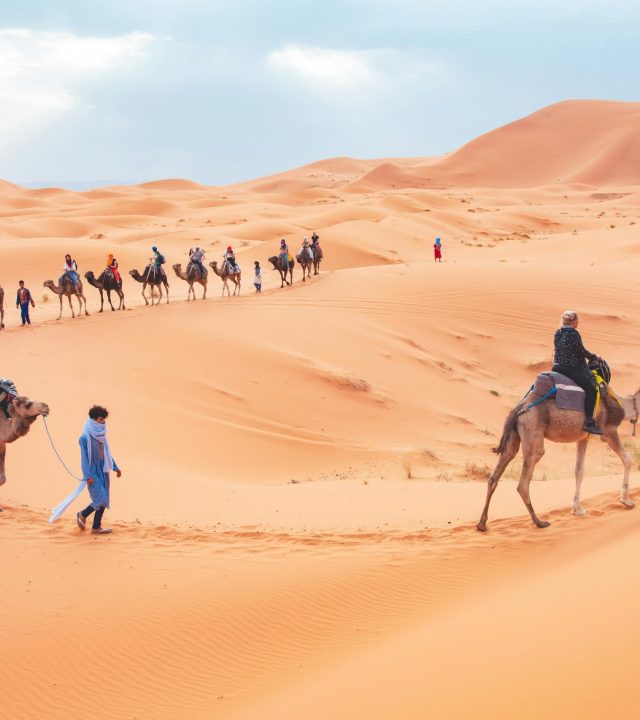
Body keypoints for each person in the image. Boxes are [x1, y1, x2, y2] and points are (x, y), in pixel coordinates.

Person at [552, 310, 602, 435]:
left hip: (557, 367)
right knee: (591, 389)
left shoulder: (558, 332)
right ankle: (589, 423)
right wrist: (593, 358)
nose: (578, 322)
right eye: (577, 320)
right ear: (574, 321)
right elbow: (581, 352)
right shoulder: (573, 333)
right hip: (569, 369)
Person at [76, 405, 122, 535]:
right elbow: (84, 459)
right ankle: (82, 514)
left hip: (103, 471)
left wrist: (115, 467)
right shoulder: (84, 438)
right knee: (101, 498)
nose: (104, 422)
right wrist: (87, 476)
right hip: (92, 473)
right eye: (101, 419)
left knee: (104, 499)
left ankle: (96, 527)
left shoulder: (102, 436)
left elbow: (107, 454)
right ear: (94, 419)